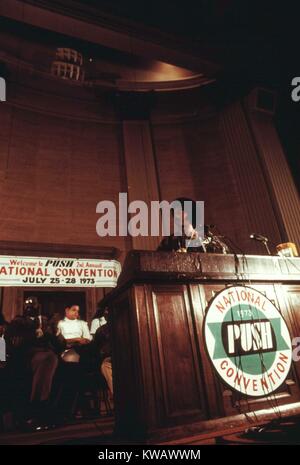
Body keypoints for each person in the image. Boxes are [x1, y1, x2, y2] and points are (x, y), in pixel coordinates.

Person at [5, 296, 59, 430]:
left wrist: (52, 334)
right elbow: (12, 340)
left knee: (68, 367)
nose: (30, 307)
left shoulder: (46, 321)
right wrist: (34, 334)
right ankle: (37, 408)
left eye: (33, 304)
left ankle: (59, 412)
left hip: (49, 352)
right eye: (27, 305)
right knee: (48, 359)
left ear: (38, 306)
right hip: (28, 355)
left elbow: (59, 343)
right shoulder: (18, 322)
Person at [94, 306, 113, 397]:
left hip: (120, 358)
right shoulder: (101, 330)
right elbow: (96, 348)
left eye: (107, 311)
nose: (106, 314)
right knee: (105, 365)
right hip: (109, 358)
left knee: (105, 366)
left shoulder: (103, 330)